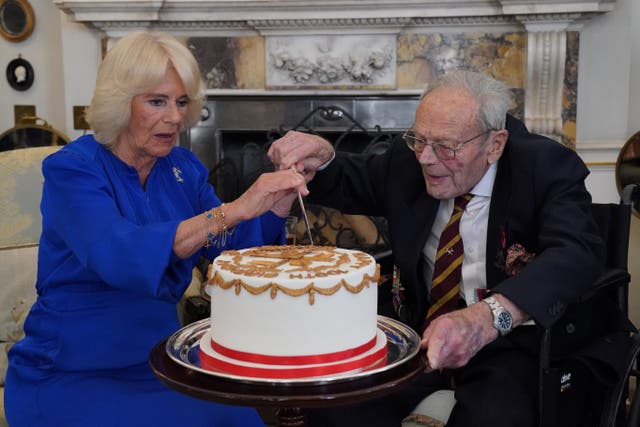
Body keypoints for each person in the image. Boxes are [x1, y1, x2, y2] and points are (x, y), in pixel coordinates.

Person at [268, 70, 606, 427]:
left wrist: (488, 317)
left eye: (446, 147)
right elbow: (353, 178)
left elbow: (576, 254)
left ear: (495, 144)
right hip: (421, 335)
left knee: (491, 419)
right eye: (418, 139)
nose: (426, 158)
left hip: (514, 344)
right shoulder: (411, 161)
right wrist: (321, 158)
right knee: (336, 411)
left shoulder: (544, 167)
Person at [4, 31, 307, 427]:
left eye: (182, 102)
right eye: (157, 101)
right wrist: (233, 209)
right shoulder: (72, 170)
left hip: (162, 362)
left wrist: (277, 203)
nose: (176, 116)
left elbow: (232, 253)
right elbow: (117, 253)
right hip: (72, 372)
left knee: (241, 420)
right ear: (119, 102)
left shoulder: (183, 168)